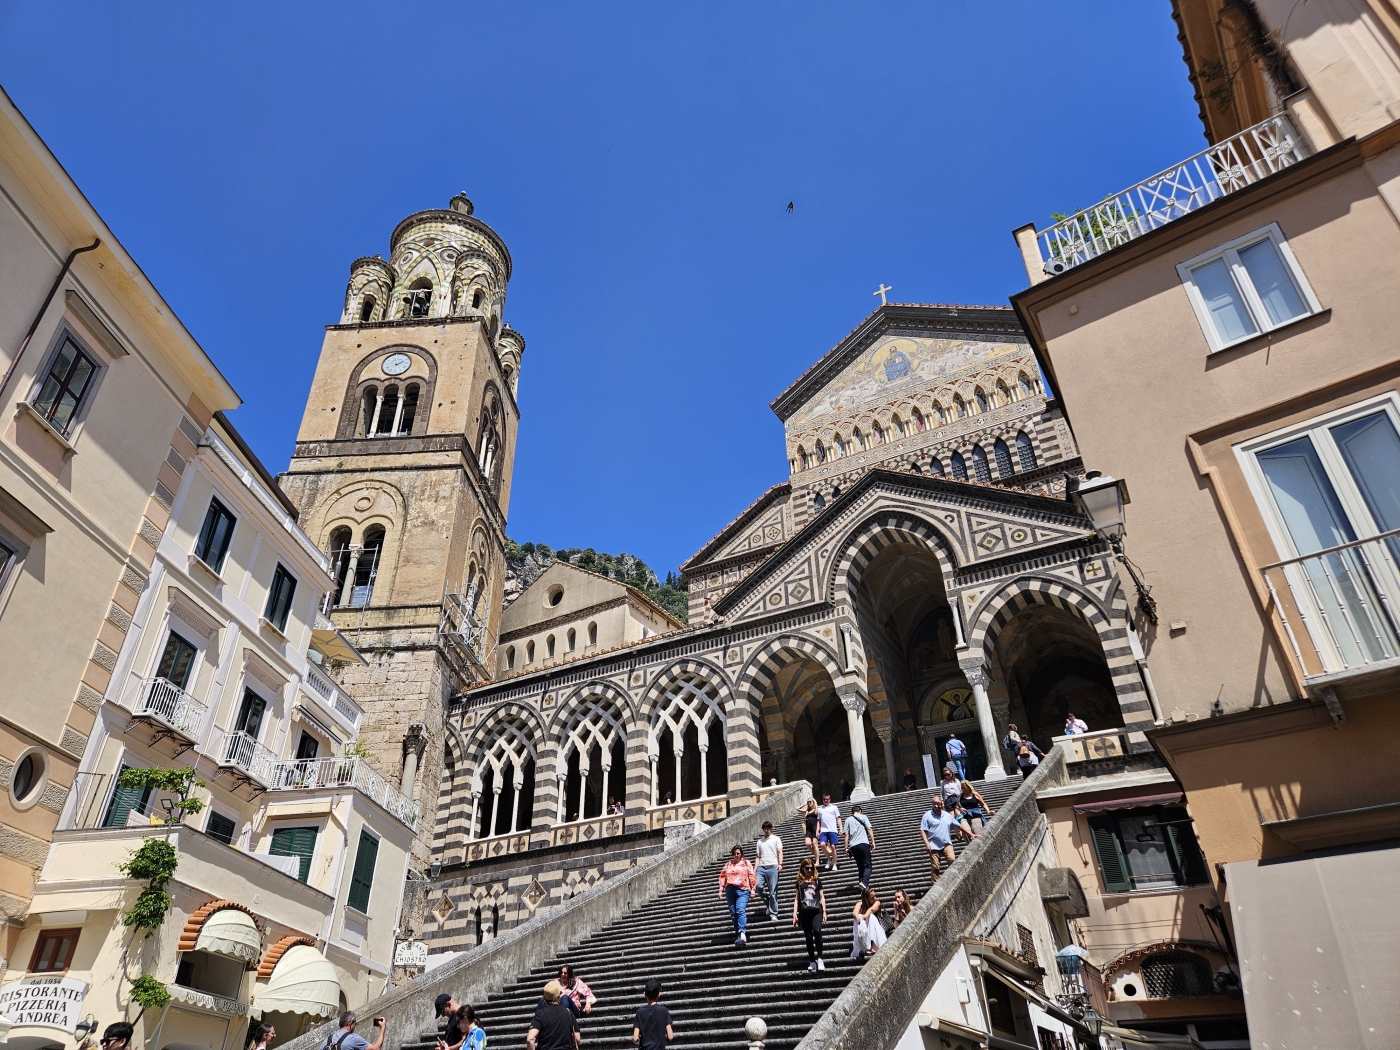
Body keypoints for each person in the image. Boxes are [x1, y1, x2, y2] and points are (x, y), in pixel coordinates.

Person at [920, 796, 977, 883]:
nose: (938, 808)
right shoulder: (927, 816)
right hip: (933, 844)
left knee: (952, 859)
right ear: (932, 805)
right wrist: (926, 843)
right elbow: (923, 830)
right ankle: (935, 883)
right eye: (935, 806)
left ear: (942, 804)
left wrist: (971, 834)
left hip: (946, 843)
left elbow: (959, 826)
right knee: (936, 866)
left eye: (939, 806)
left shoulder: (947, 815)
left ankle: (949, 878)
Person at [791, 857, 828, 972]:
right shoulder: (799, 882)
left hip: (817, 910)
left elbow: (822, 897)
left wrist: (825, 911)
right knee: (808, 936)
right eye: (807, 868)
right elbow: (797, 899)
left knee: (817, 931)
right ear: (802, 868)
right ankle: (812, 961)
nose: (810, 870)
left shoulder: (817, 880)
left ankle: (820, 959)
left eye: (812, 868)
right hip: (804, 911)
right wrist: (794, 914)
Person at [718, 844, 757, 945]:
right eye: (734, 853)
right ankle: (738, 935)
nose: (736, 855)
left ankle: (742, 932)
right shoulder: (728, 864)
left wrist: (753, 889)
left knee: (740, 910)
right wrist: (720, 890)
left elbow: (751, 875)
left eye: (738, 853)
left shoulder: (746, 863)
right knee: (733, 913)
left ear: (741, 854)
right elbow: (722, 877)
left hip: (743, 890)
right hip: (730, 889)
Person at [528, 981, 580, 1050]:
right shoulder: (568, 1012)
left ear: (544, 999)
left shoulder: (540, 1014)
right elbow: (577, 1039)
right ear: (558, 996)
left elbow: (530, 1040)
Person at [632, 977, 673, 1049]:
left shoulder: (640, 1012)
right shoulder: (664, 1011)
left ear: (645, 994)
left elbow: (635, 1038)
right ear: (659, 994)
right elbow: (670, 1036)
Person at [755, 820, 784, 920]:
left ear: (771, 829)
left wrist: (780, 864)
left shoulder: (776, 839)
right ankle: (769, 904)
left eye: (768, 829)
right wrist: (755, 870)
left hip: (773, 866)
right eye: (764, 829)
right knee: (758, 886)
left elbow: (780, 852)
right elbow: (758, 857)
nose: (766, 831)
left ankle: (773, 913)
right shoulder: (760, 841)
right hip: (762, 867)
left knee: (773, 891)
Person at [843, 803, 875, 889]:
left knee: (860, 867)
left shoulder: (847, 820)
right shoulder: (863, 817)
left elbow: (846, 835)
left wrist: (846, 847)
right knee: (868, 866)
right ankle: (864, 882)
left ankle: (862, 886)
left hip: (853, 846)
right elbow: (869, 828)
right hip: (863, 843)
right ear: (860, 811)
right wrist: (873, 842)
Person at [850, 886, 887, 958]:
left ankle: (870, 946)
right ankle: (862, 946)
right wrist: (858, 918)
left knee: (871, 917)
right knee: (858, 917)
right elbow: (855, 912)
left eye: (875, 896)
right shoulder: (860, 904)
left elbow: (870, 910)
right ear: (866, 899)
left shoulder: (877, 903)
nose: (875, 898)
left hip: (877, 932)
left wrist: (863, 917)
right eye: (872, 897)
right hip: (864, 930)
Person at [321, 1012, 386, 1050]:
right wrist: (382, 1027)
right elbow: (376, 1048)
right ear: (351, 1023)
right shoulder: (353, 1038)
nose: (355, 1026)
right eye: (355, 1024)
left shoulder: (327, 1040)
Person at [816, 793, 842, 871]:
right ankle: (829, 859)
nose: (825, 800)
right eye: (824, 799)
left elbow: (838, 818)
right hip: (824, 830)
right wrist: (817, 830)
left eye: (827, 799)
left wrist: (841, 828)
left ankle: (834, 864)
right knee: (822, 844)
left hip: (832, 830)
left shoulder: (834, 807)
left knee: (833, 847)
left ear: (829, 799)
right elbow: (818, 821)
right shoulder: (820, 809)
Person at [798, 797, 820, 863]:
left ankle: (817, 861)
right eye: (808, 802)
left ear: (813, 802)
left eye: (810, 801)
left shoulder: (817, 810)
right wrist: (805, 804)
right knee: (808, 843)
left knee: (815, 844)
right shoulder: (807, 811)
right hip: (808, 830)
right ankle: (817, 855)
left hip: (815, 829)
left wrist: (818, 830)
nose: (809, 803)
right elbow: (797, 808)